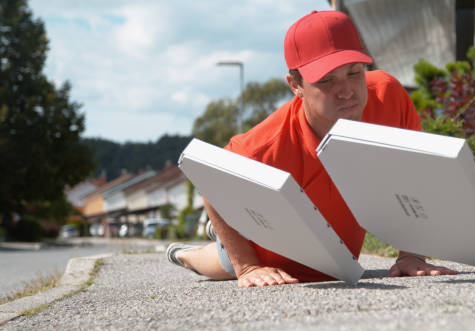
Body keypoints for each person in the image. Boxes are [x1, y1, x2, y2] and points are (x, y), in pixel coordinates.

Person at [167, 10, 457, 287]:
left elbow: (412, 176)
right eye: (327, 80)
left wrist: (411, 254)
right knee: (225, 261)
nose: (346, 91)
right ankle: (184, 254)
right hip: (271, 246)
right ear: (295, 84)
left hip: (337, 249)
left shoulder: (388, 96)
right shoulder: (265, 145)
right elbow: (212, 184)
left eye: (354, 73)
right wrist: (248, 266)